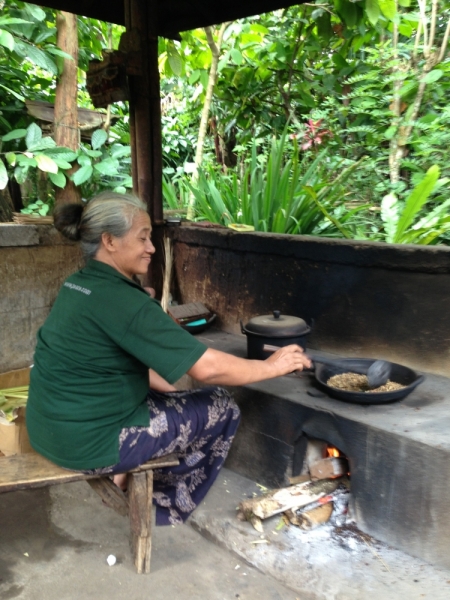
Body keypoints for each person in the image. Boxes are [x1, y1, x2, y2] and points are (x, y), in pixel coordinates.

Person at [26, 192, 311, 526]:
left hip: (48, 430)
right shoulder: (125, 303)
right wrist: (270, 366)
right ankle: (160, 505)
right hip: (87, 445)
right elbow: (208, 368)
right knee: (221, 406)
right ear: (109, 241)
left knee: (172, 397)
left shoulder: (78, 285)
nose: (151, 248)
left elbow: (118, 365)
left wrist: (175, 396)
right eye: (143, 238)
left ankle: (127, 472)